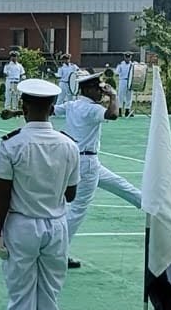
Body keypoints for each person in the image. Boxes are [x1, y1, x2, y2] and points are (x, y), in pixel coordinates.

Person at [0, 79, 80, 310]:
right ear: (53, 108)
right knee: (50, 296)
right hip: (56, 227)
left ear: (23, 108)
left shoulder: (12, 144)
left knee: (21, 297)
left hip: (22, 225)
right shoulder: (69, 145)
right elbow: (71, 194)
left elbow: (2, 195)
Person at [54, 71, 143, 268]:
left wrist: (17, 112)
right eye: (97, 88)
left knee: (117, 183)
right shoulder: (92, 109)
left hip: (79, 160)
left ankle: (146, 203)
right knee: (77, 209)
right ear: (87, 89)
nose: (101, 91)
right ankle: (57, 252)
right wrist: (113, 96)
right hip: (86, 162)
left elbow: (50, 110)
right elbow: (113, 115)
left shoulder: (72, 105)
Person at [114, 52, 135, 117]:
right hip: (122, 80)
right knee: (121, 96)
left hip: (130, 81)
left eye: (129, 57)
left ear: (130, 57)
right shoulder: (120, 64)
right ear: (124, 57)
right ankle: (119, 110)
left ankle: (127, 110)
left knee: (129, 96)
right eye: (126, 57)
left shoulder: (133, 65)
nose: (127, 59)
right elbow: (116, 72)